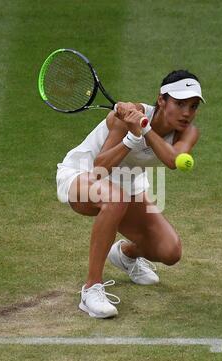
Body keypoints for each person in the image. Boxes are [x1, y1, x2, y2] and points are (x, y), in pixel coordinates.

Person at [56, 70, 205, 319]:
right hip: (82, 176)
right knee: (116, 198)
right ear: (161, 100)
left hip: (127, 186)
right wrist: (130, 136)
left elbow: (171, 159)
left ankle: (125, 255)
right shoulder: (127, 115)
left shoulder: (188, 133)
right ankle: (91, 289)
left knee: (170, 251)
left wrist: (143, 131)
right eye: (179, 104)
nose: (187, 113)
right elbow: (100, 167)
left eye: (193, 106)